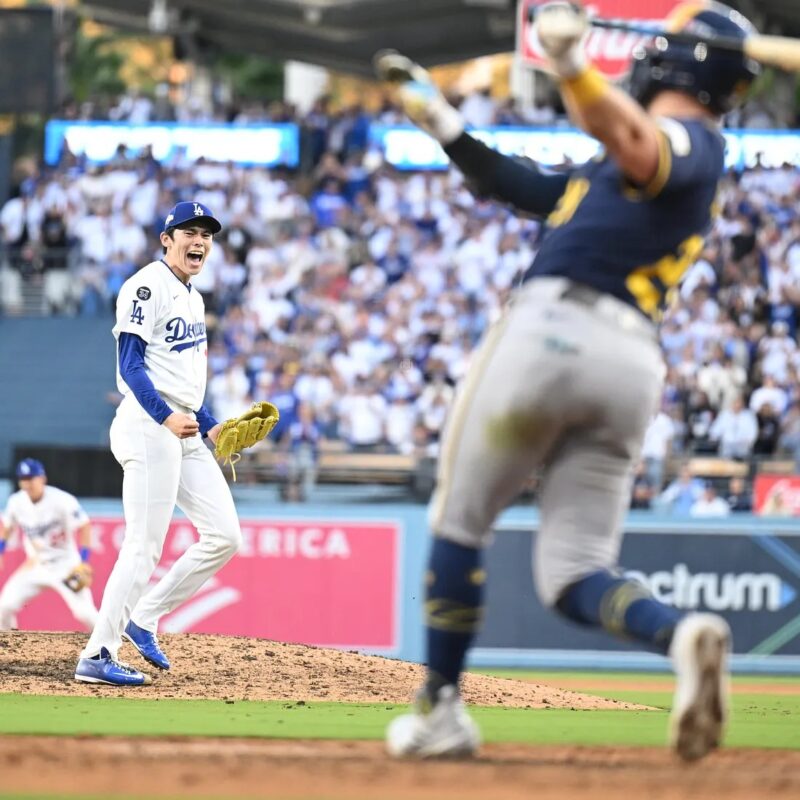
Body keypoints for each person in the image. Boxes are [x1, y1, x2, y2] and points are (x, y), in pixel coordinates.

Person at [376, 0, 758, 763]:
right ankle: (680, 635)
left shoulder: (687, 139)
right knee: (575, 571)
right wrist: (444, 125)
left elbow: (637, 140)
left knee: (459, 519)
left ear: (673, 64)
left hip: (554, 330)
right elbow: (521, 186)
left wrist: (572, 65)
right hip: (630, 367)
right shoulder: (625, 173)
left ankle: (441, 708)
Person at [75, 202, 243, 687]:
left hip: (182, 423)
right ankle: (98, 653)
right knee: (144, 544)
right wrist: (167, 416)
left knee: (225, 535)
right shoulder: (146, 286)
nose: (200, 241)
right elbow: (131, 366)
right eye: (189, 232)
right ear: (166, 239)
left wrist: (211, 426)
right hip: (150, 424)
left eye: (206, 235)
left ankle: (143, 617)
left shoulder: (193, 295)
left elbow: (184, 380)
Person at [0, 459, 97, 631]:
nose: (28, 483)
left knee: (85, 614)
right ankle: (10, 646)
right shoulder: (16, 502)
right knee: (4, 607)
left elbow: (84, 525)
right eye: (24, 478)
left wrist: (83, 561)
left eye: (31, 478)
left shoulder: (61, 500)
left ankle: (109, 647)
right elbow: (7, 527)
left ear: (42, 478)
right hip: (35, 565)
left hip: (65, 565)